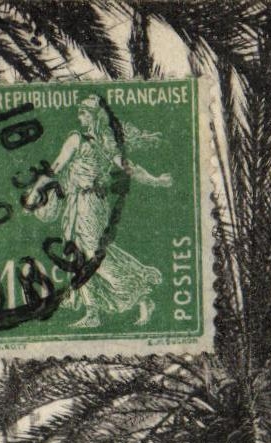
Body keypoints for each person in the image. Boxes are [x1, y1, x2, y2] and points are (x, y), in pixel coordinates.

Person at [26, 96, 172, 330]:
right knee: (77, 255)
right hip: (73, 204)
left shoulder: (106, 143)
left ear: (95, 116)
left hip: (92, 204)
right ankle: (92, 311)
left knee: (94, 254)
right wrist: (36, 190)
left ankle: (141, 291)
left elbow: (128, 167)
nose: (79, 117)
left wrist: (155, 180)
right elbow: (55, 168)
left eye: (84, 113)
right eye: (80, 113)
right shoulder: (76, 139)